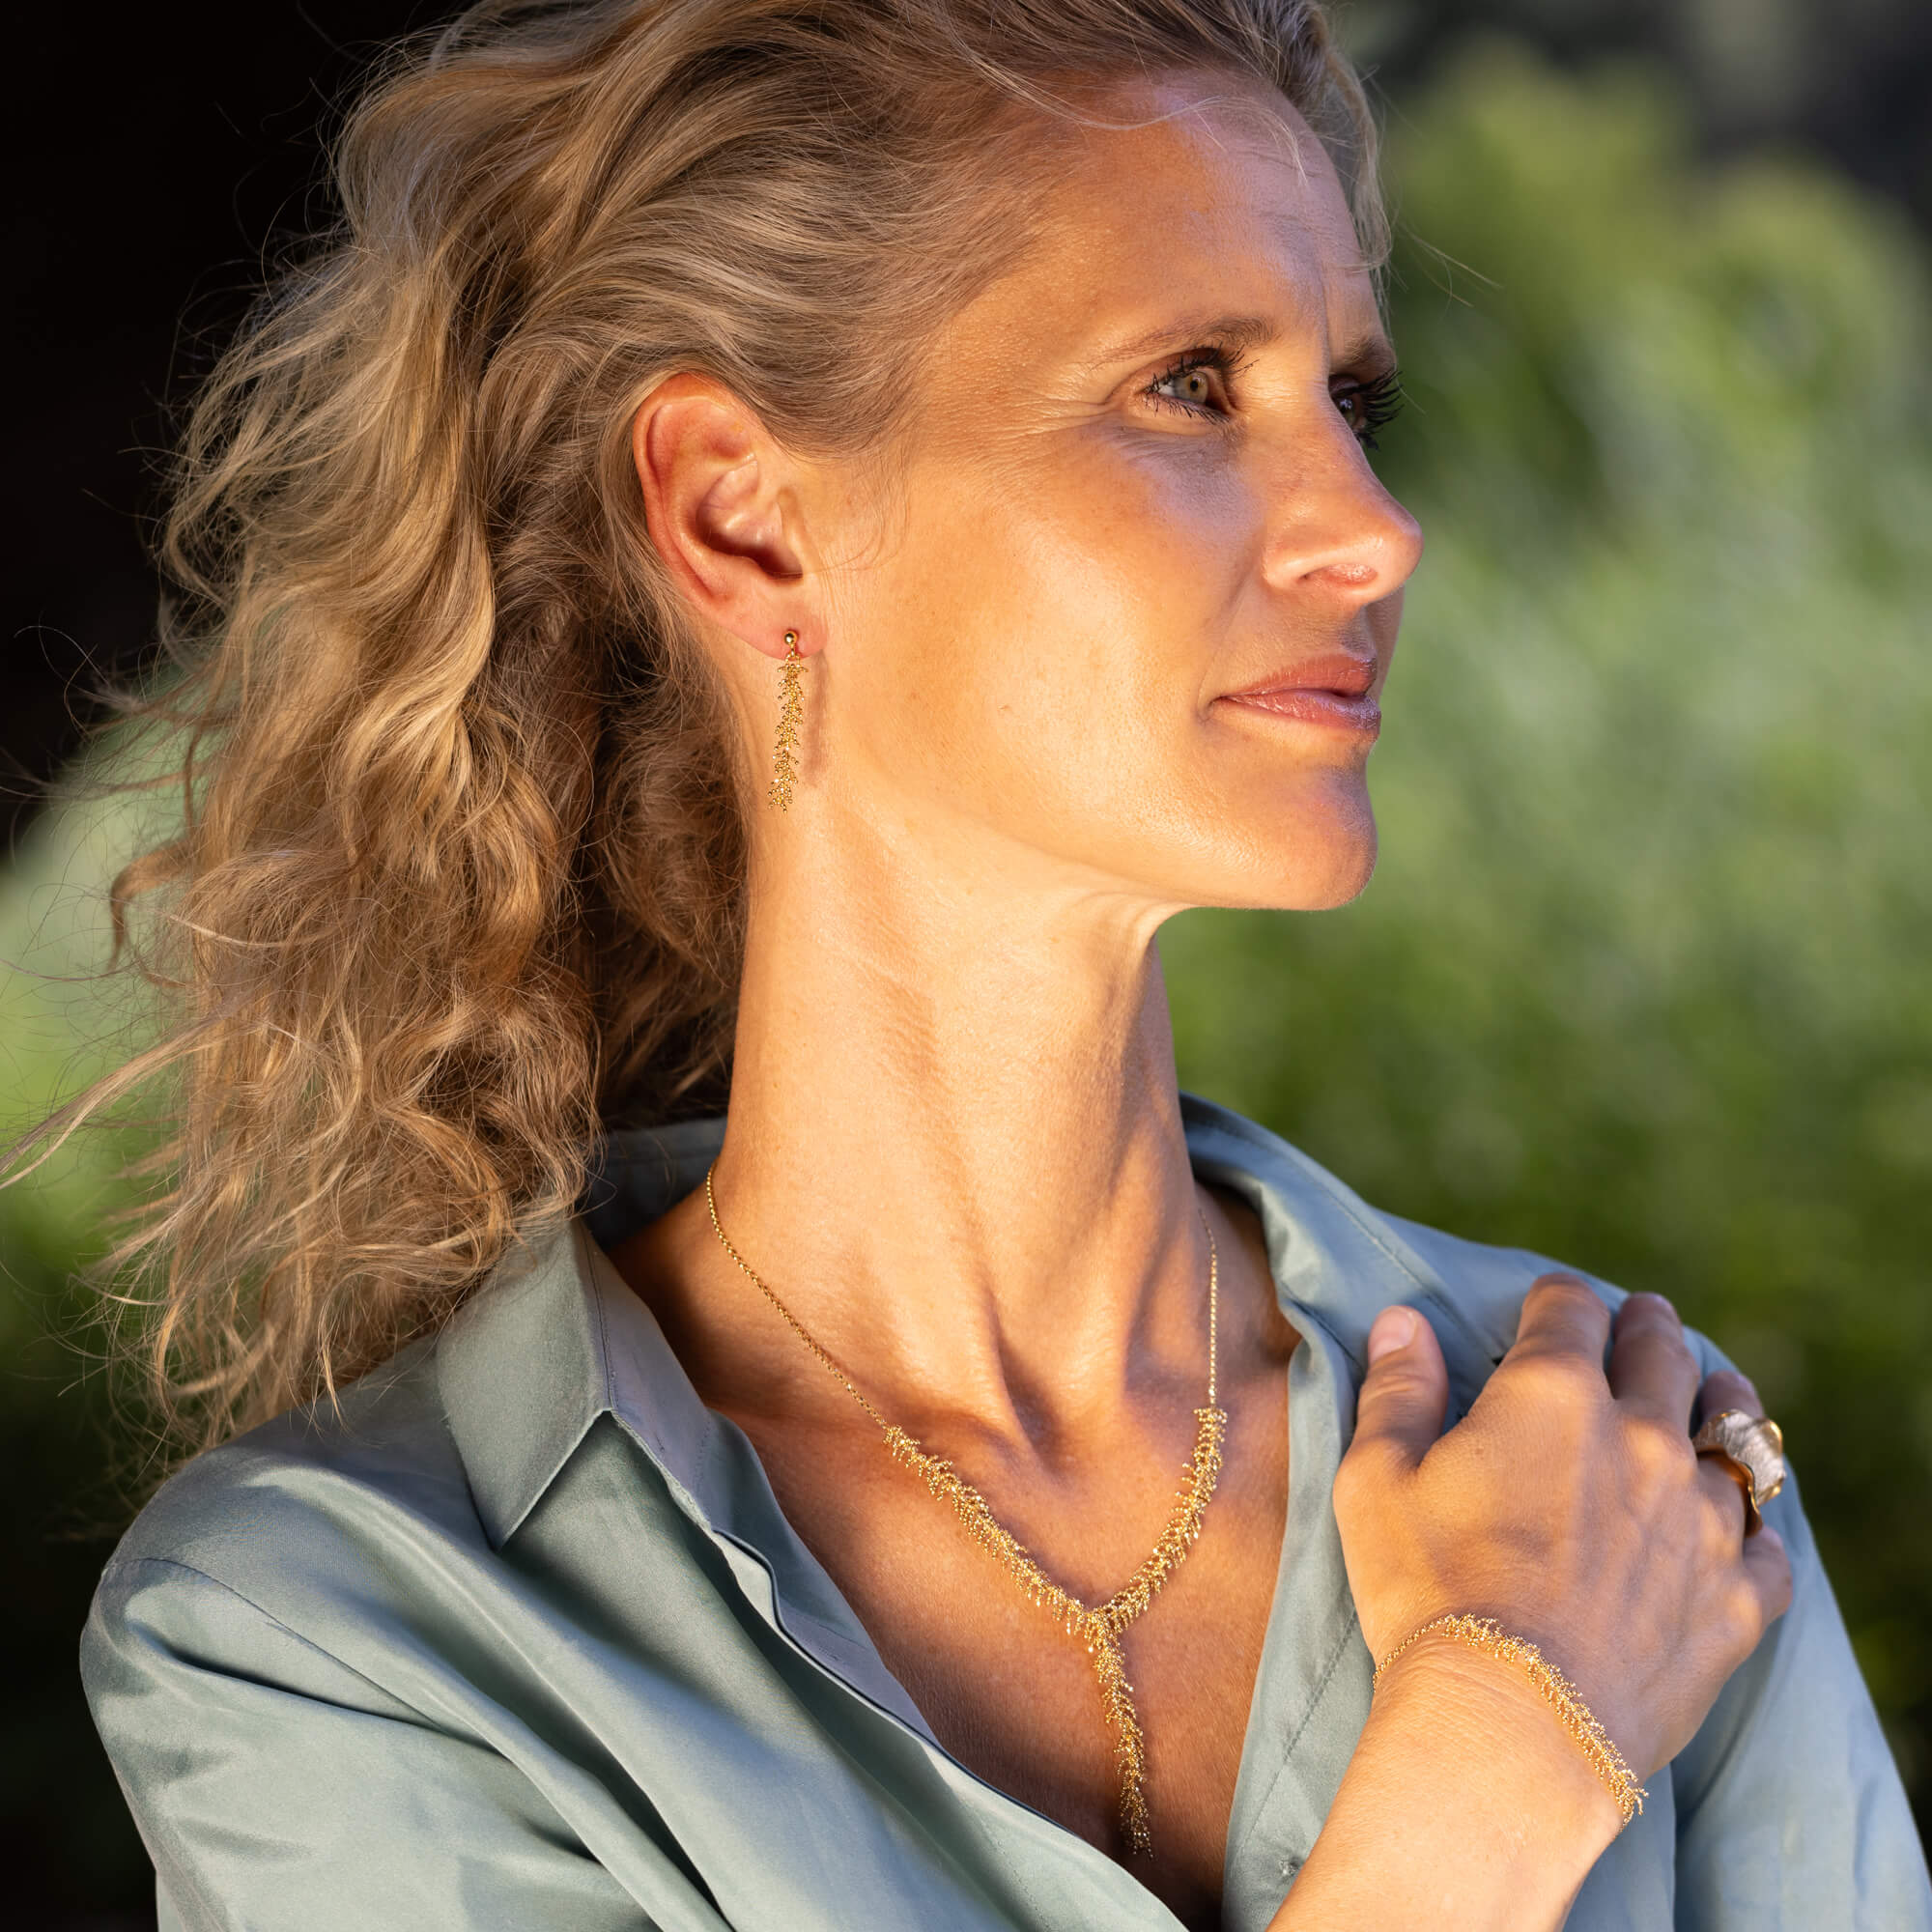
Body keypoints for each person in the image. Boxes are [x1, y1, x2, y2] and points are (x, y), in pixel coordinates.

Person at [48, 1, 1927, 1927]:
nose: (1372, 531)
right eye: (1190, 385)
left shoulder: (1615, 1449)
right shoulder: (340, 1633)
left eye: (1348, 399)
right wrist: (1495, 1753)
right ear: (743, 516)